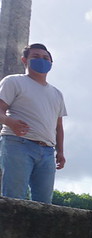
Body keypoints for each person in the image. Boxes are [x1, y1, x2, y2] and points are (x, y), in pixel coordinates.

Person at [0, 43, 67, 203]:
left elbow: (58, 126)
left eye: (45, 58)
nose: (41, 60)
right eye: (35, 57)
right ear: (25, 61)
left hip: (47, 151)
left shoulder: (57, 93)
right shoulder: (14, 81)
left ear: (51, 63)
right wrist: (10, 122)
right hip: (17, 144)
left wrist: (61, 151)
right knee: (14, 199)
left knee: (44, 204)